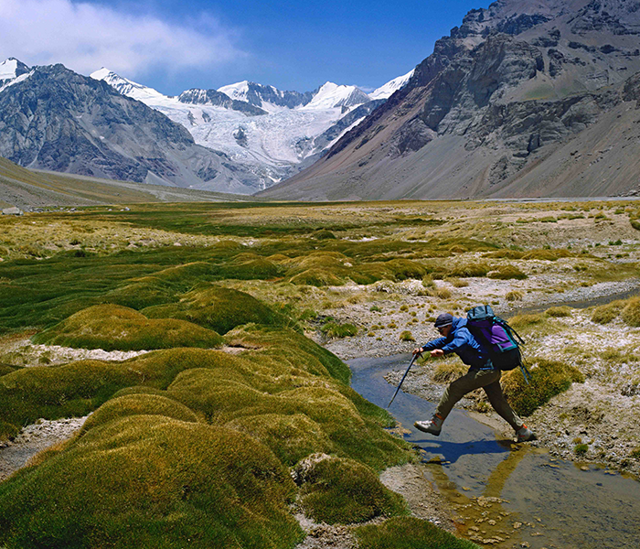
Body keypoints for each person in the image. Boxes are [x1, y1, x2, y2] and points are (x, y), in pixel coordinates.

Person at [413, 312, 535, 442]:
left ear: (448, 326)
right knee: (498, 402)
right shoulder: (458, 329)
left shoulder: (461, 332)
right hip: (490, 370)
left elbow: (460, 342)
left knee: (453, 389)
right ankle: (523, 431)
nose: (439, 332)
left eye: (440, 329)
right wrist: (423, 348)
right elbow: (444, 340)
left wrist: (444, 351)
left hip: (485, 371)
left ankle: (435, 423)